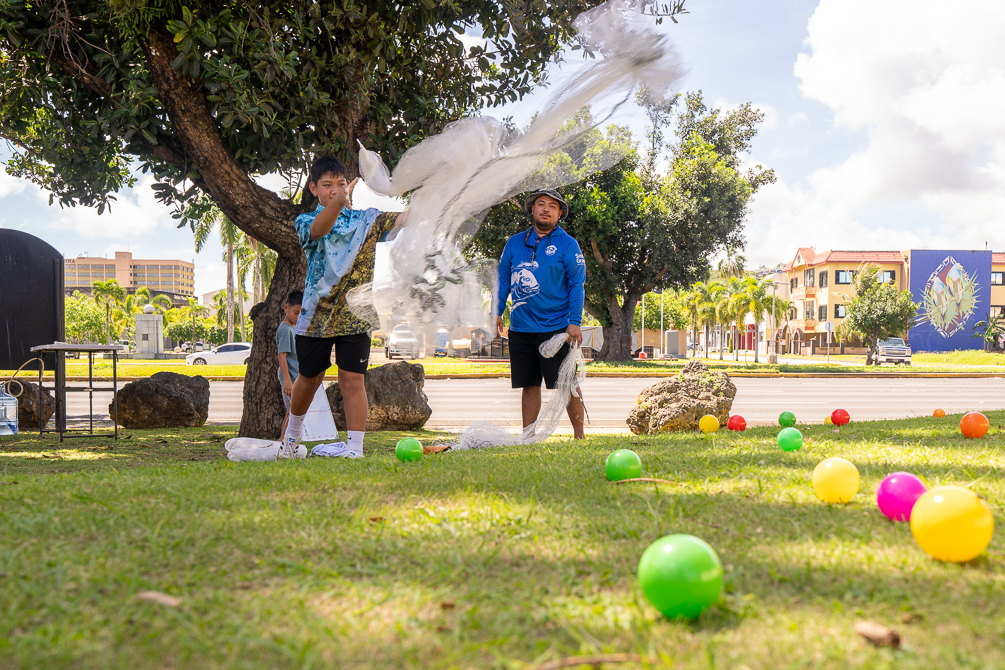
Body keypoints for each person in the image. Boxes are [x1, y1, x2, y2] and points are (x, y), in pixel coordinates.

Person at [280, 155, 406, 459]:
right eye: (327, 185)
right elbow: (321, 230)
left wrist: (435, 198)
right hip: (316, 316)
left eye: (340, 184)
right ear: (314, 188)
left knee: (352, 379)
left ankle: (355, 449)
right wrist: (339, 201)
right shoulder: (306, 220)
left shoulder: (368, 219)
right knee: (309, 380)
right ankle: (291, 441)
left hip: (356, 315)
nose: (335, 190)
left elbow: (404, 219)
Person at [494, 188, 587, 439]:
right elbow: (503, 278)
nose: (546, 208)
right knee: (529, 383)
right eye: (541, 204)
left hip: (556, 328)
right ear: (532, 210)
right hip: (521, 327)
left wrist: (574, 322)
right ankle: (528, 436)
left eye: (552, 206)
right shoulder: (514, 242)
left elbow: (577, 284)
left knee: (567, 383)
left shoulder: (568, 244)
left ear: (560, 214)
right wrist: (498, 309)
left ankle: (579, 435)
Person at [277, 289, 303, 440]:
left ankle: (283, 440)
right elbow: (282, 356)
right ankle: (282, 440)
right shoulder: (285, 330)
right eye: (296, 312)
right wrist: (287, 380)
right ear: (286, 308)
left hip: (296, 377)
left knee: (292, 411)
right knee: (293, 411)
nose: (298, 316)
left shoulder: (294, 328)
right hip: (290, 379)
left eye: (302, 313)